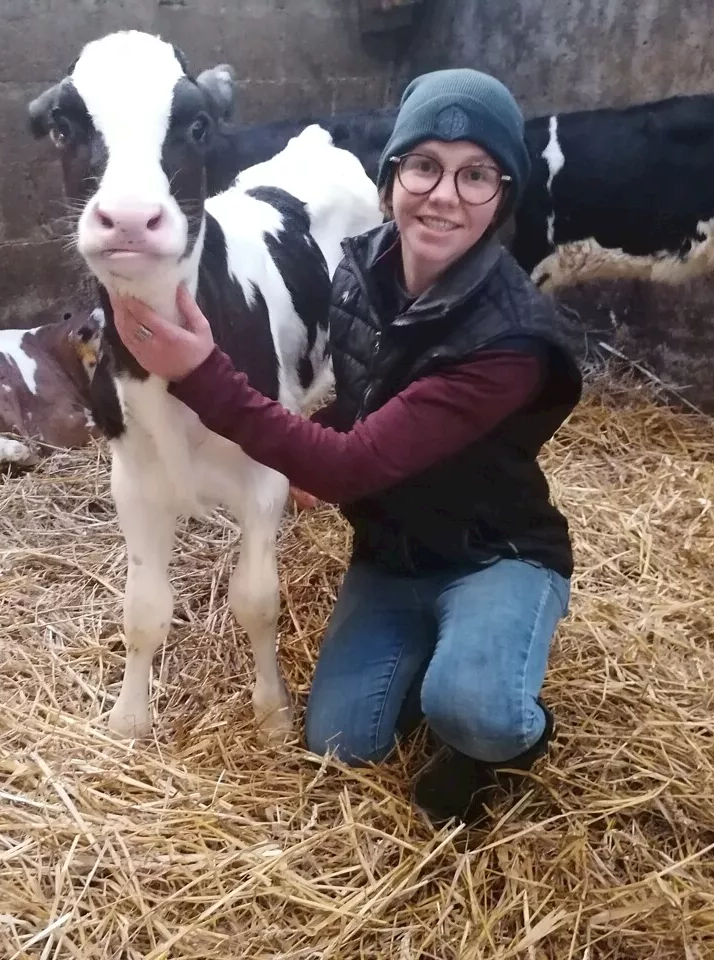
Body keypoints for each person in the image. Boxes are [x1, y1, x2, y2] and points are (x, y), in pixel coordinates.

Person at [107, 68, 584, 826]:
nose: (444, 194)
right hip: (394, 554)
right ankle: (444, 654)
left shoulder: (510, 341)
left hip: (493, 553)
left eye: (476, 175)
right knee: (340, 740)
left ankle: (502, 733)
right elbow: (361, 410)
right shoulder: (364, 269)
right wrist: (317, 433)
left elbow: (352, 467)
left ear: (502, 195)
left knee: (473, 711)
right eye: (424, 165)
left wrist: (202, 373)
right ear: (392, 175)